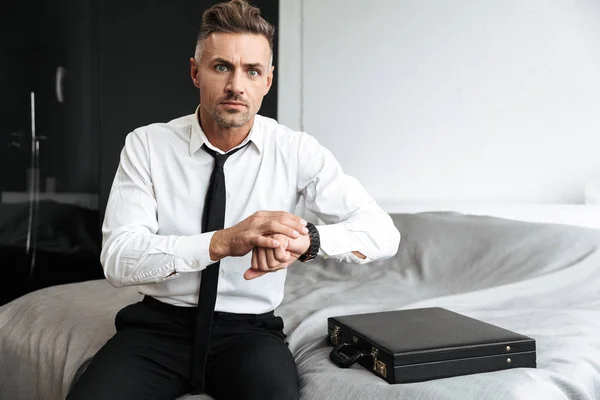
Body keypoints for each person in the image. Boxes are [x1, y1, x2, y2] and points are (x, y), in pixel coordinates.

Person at [67, 1, 400, 399]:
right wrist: (224, 241)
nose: (236, 86)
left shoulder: (295, 151)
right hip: (157, 330)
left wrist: (308, 240)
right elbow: (119, 260)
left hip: (249, 333)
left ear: (268, 80)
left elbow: (383, 233)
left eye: (252, 71)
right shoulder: (147, 145)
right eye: (222, 66)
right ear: (196, 71)